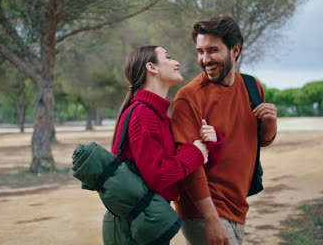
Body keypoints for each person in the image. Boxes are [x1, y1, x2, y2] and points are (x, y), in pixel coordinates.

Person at [170, 16, 278, 245]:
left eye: (212, 50)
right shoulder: (189, 97)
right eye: (200, 51)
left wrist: (271, 125)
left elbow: (260, 140)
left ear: (235, 50)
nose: (204, 59)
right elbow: (189, 166)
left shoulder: (251, 86)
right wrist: (210, 219)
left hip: (237, 207)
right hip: (204, 210)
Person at [102, 45, 224, 244]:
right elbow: (159, 176)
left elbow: (181, 173)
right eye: (168, 57)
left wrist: (208, 146)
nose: (177, 62)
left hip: (146, 219)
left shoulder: (159, 117)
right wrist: (194, 152)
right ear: (152, 67)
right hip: (131, 224)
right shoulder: (143, 114)